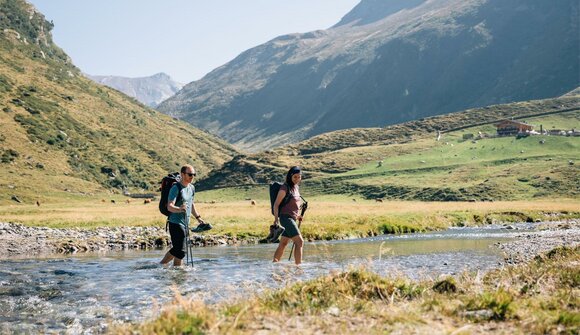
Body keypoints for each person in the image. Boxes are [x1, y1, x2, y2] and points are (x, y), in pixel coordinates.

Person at [160, 165, 212, 266]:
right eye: (190, 174)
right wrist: (179, 209)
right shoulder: (176, 188)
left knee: (179, 250)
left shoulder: (192, 188)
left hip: (185, 223)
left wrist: (198, 217)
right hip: (175, 223)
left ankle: (176, 269)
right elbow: (169, 207)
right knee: (181, 250)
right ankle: (165, 265)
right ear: (182, 174)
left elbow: (191, 204)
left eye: (194, 174)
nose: (192, 176)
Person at [272, 166, 305, 265]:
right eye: (295, 177)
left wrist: (298, 215)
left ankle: (274, 264)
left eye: (299, 177)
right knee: (299, 242)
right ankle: (298, 267)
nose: (297, 179)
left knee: (283, 243)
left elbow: (294, 204)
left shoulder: (296, 188)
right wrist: (276, 219)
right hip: (286, 218)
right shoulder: (284, 187)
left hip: (292, 219)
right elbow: (276, 204)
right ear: (290, 176)